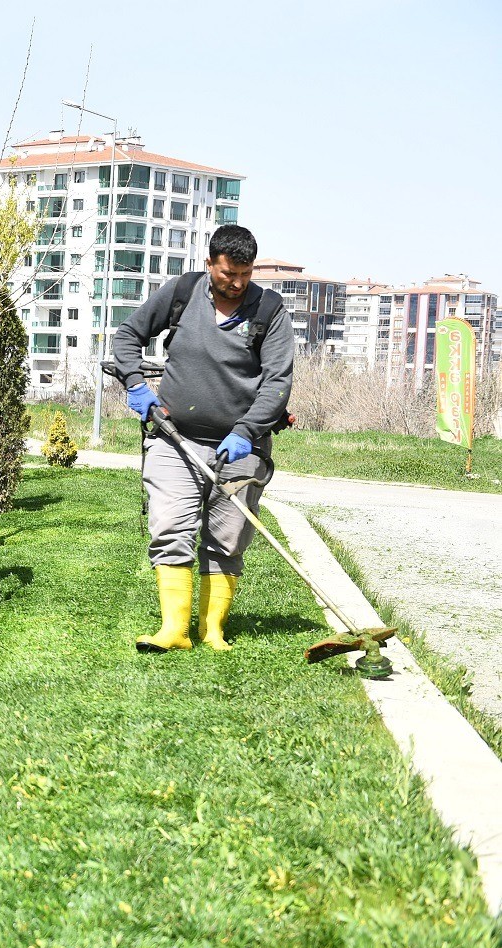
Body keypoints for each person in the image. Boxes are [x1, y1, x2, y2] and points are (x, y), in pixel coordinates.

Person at [111, 224, 294, 653]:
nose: (237, 283)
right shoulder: (182, 292)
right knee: (171, 526)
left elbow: (277, 381)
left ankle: (213, 630)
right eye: (228, 273)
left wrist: (247, 431)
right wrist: (136, 385)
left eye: (245, 274)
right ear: (210, 263)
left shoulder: (270, 311)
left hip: (241, 447)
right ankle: (174, 630)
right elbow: (127, 336)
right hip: (175, 440)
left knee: (227, 538)